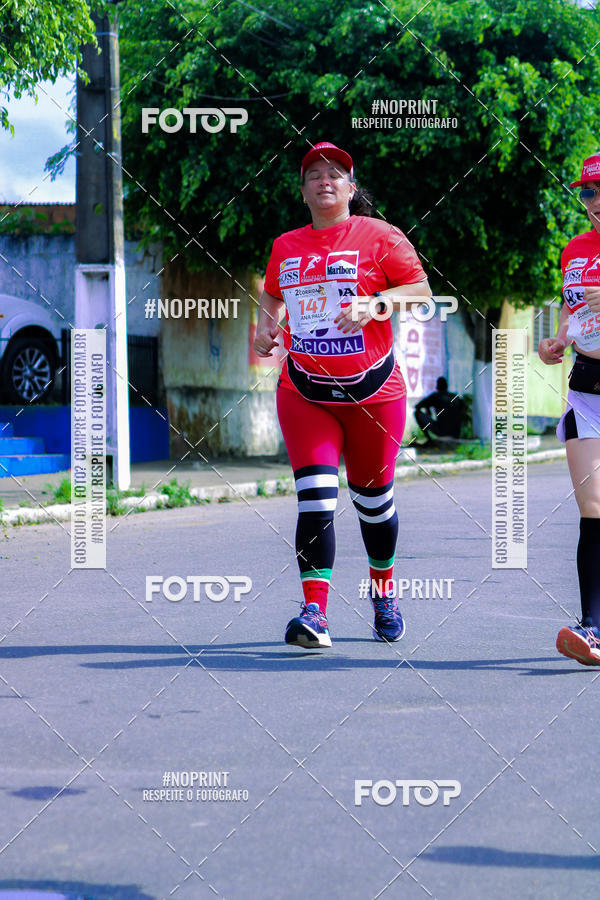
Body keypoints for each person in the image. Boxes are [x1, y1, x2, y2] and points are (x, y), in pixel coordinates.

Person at [253, 141, 432, 648]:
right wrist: (266, 329)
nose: (324, 180)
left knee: (374, 505)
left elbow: (419, 292)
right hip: (305, 391)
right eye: (313, 174)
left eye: (335, 173)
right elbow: (272, 294)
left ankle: (384, 592)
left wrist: (374, 303)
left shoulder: (381, 236)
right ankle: (315, 612)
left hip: (374, 395)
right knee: (315, 500)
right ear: (303, 190)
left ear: (352, 188)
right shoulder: (286, 245)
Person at [538, 152, 600, 665]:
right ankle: (593, 627)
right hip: (587, 391)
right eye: (587, 193)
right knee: (593, 509)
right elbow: (571, 310)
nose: (595, 202)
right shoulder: (573, 250)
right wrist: (556, 341)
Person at [414, 376, 463, 444]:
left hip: (442, 430)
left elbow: (417, 406)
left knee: (417, 413)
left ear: (438, 386)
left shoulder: (436, 396)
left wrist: (427, 409)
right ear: (446, 386)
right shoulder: (455, 397)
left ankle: (429, 439)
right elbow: (464, 410)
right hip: (456, 432)